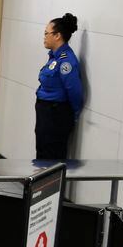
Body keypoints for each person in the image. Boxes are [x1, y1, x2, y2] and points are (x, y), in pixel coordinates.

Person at [35, 13, 83, 159]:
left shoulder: (66, 61)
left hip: (56, 114)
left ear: (57, 36)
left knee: (52, 156)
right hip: (45, 113)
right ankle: (40, 182)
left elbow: (74, 91)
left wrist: (71, 114)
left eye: (46, 33)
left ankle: (52, 183)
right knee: (42, 152)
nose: (44, 37)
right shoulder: (54, 57)